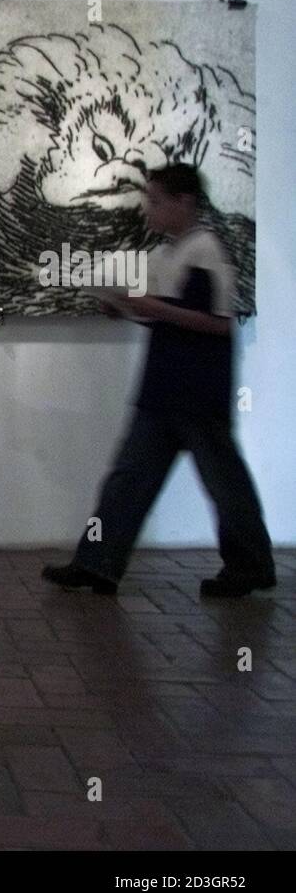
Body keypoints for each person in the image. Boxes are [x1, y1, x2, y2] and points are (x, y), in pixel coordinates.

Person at [43, 163, 275, 598]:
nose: (149, 210)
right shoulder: (171, 253)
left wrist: (149, 307)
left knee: (223, 486)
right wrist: (126, 307)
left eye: (155, 201)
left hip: (196, 392)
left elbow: (219, 323)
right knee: (127, 482)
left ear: (183, 202)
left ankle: (251, 567)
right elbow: (172, 317)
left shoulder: (206, 251)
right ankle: (95, 563)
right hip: (165, 390)